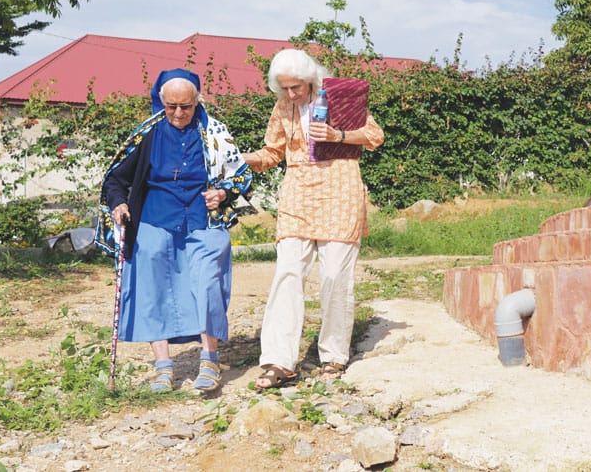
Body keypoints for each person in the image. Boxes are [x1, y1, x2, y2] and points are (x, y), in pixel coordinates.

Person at [95, 68, 252, 392]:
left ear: (197, 102)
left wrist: (223, 193)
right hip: (155, 219)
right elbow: (115, 179)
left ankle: (210, 361)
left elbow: (242, 176)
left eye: (186, 107)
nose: (179, 113)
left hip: (203, 220)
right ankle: (163, 369)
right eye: (171, 107)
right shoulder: (148, 134)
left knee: (208, 284)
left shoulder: (215, 133)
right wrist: (119, 205)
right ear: (160, 102)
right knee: (153, 288)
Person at [242, 49, 384, 390]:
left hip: (341, 187)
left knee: (334, 276)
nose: (291, 94)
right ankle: (280, 361)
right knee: (287, 272)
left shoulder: (341, 97)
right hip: (298, 193)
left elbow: (375, 137)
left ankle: (333, 355)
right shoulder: (283, 108)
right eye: (284, 89)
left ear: (311, 80)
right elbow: (272, 153)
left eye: (296, 87)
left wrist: (339, 136)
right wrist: (239, 159)